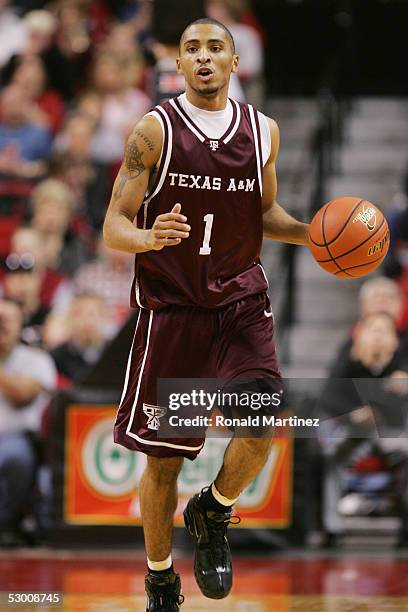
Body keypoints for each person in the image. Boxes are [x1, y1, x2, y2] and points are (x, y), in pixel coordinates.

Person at [103, 18, 309, 611]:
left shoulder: (263, 131)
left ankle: (213, 511)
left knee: (262, 423)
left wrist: (313, 235)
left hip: (241, 302)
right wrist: (147, 238)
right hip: (174, 310)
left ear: (234, 61)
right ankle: (162, 581)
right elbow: (115, 223)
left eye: (214, 47)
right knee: (164, 460)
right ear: (178, 63)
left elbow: (263, 214)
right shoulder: (154, 131)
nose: (202, 57)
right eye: (191, 48)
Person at [319, 312, 408, 547]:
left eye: (384, 331)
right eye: (373, 330)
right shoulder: (348, 363)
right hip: (354, 432)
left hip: (391, 432)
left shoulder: (401, 364)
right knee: (331, 456)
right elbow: (329, 400)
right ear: (360, 336)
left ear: (394, 340)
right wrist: (355, 412)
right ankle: (332, 528)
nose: (378, 336)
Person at [0, 297, 56, 547]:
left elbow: (22, 396)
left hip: (19, 437)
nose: (1, 325)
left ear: (20, 323)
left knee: (14, 456)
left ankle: (5, 523)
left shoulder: (36, 359)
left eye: (7, 320)